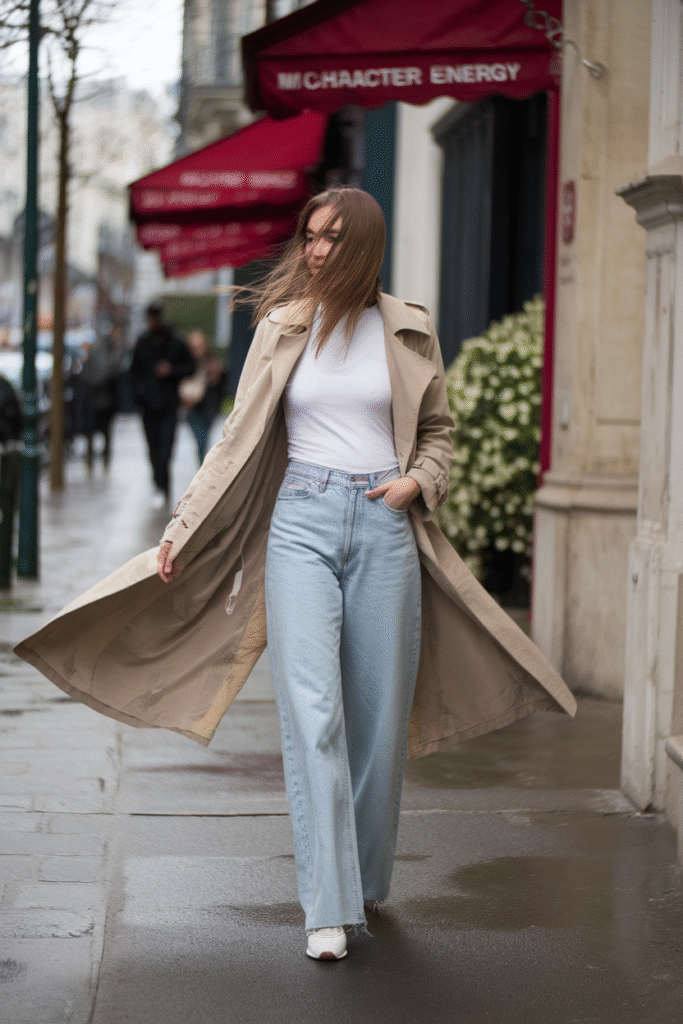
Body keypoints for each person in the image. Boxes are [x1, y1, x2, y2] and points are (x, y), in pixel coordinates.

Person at [15, 189, 576, 964]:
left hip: (384, 524)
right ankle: (327, 902)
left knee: (378, 722)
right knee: (313, 714)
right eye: (310, 236)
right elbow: (234, 436)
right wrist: (181, 525)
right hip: (301, 523)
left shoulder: (407, 327)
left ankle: (365, 881)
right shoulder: (281, 328)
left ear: (365, 246)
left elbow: (439, 432)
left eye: (333, 238)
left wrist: (419, 482)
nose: (316, 250)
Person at [130, 303, 196, 506]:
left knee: (166, 448)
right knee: (153, 448)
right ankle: (159, 484)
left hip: (168, 405)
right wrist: (138, 396)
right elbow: (133, 373)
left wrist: (172, 370)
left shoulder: (175, 342)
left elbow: (190, 366)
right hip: (148, 407)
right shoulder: (142, 342)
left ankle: (164, 487)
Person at [79, 326, 124, 469]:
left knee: (97, 429)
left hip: (100, 397)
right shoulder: (103, 353)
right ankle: (100, 455)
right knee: (101, 429)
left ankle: (95, 455)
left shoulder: (98, 351)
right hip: (102, 398)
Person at [180, 329, 227, 464]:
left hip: (210, 408)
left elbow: (221, 386)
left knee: (204, 439)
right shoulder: (187, 363)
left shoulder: (214, 362)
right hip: (192, 408)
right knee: (201, 440)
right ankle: (202, 467)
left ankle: (202, 468)